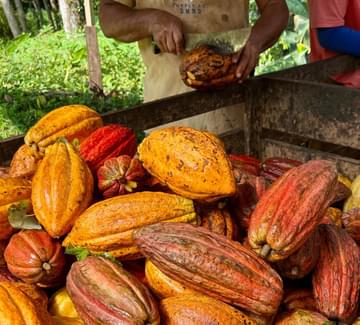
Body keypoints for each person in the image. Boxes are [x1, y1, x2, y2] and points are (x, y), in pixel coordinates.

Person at [99, 0, 289, 132]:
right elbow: (109, 14)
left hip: (233, 111)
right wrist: (151, 20)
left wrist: (255, 41)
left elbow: (275, 6)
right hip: (165, 115)